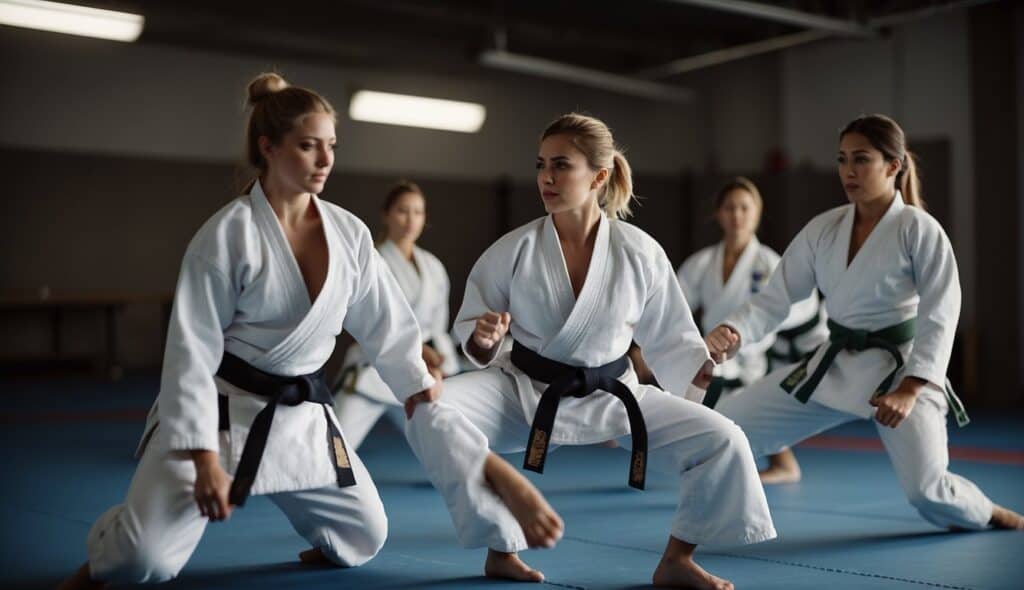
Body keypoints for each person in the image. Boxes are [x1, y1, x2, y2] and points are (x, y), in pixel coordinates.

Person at [58, 72, 439, 589]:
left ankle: (308, 520)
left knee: (363, 538)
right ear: (269, 147)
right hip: (219, 415)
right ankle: (112, 537)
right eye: (308, 147)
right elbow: (190, 355)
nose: (326, 160)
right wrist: (204, 459)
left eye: (331, 146)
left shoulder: (348, 232)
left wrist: (415, 384)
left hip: (301, 417)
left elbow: (385, 319)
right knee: (141, 563)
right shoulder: (225, 236)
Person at [404, 113, 776, 589]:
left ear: (599, 177)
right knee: (429, 410)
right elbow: (472, 327)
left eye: (562, 165)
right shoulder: (514, 249)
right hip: (522, 390)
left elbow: (671, 339)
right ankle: (501, 543)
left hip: (613, 395)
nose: (546, 178)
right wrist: (482, 339)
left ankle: (677, 558)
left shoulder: (639, 251)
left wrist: (702, 359)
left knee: (725, 439)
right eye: (541, 165)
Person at [706, 114, 1024, 532]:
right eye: (842, 160)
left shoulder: (918, 229)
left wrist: (912, 388)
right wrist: (736, 331)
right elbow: (775, 297)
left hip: (898, 372)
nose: (848, 172)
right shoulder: (825, 228)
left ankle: (986, 510)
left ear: (893, 166)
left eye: (861, 159)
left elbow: (941, 312)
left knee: (927, 490)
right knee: (728, 427)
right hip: (835, 366)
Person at [677, 177, 827, 484]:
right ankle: (733, 462)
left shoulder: (771, 263)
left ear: (757, 213)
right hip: (711, 351)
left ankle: (771, 463)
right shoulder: (703, 263)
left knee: (730, 403)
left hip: (755, 353)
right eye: (730, 208)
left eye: (745, 208)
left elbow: (791, 309)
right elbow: (676, 305)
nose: (737, 215)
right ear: (718, 214)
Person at [333, 181, 458, 448]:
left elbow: (438, 327)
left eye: (418, 212)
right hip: (374, 368)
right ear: (386, 214)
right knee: (335, 446)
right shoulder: (370, 261)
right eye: (403, 210)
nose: (410, 220)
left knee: (446, 444)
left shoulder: (433, 267)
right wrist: (419, 349)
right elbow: (362, 322)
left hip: (418, 373)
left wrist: (437, 358)